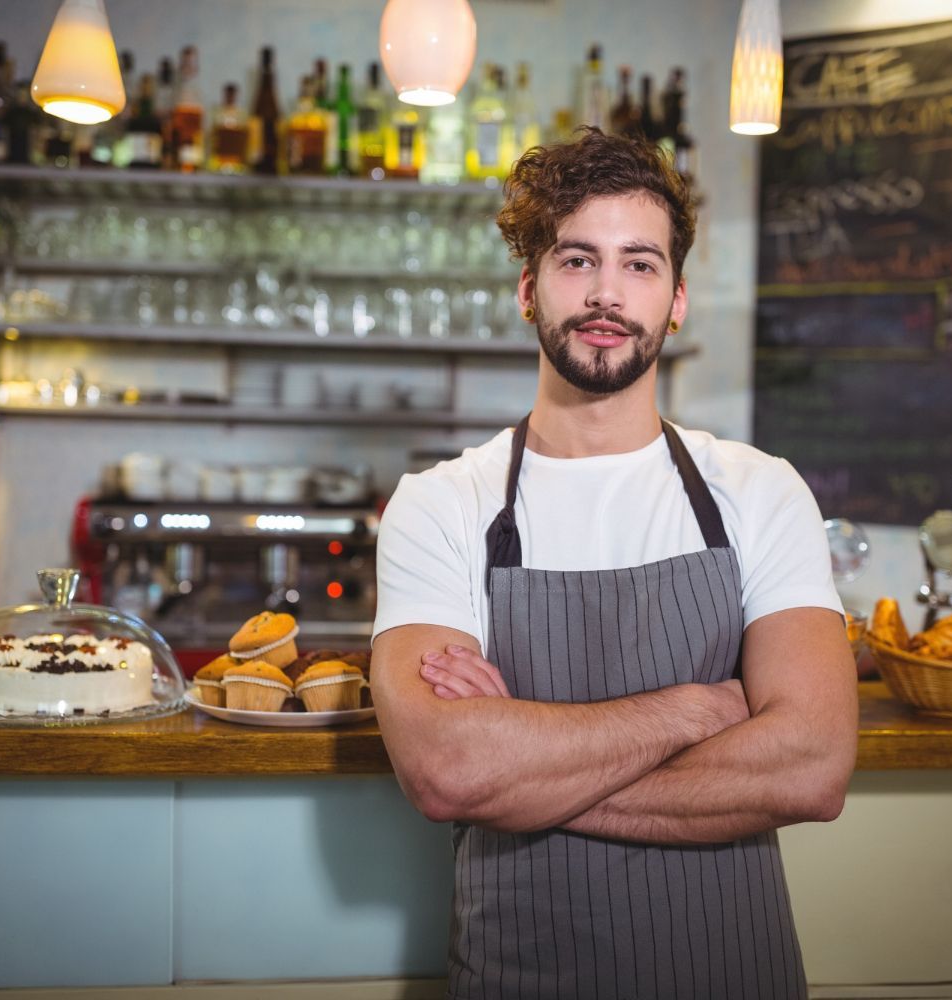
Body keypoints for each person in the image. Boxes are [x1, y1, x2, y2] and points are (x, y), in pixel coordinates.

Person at [370, 127, 859, 1000]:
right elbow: (448, 771)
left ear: (676, 299)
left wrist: (522, 769)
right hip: (518, 979)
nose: (606, 293)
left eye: (639, 264)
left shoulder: (760, 491)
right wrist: (693, 710)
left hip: (735, 976)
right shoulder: (440, 504)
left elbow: (813, 767)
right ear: (529, 289)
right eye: (575, 260)